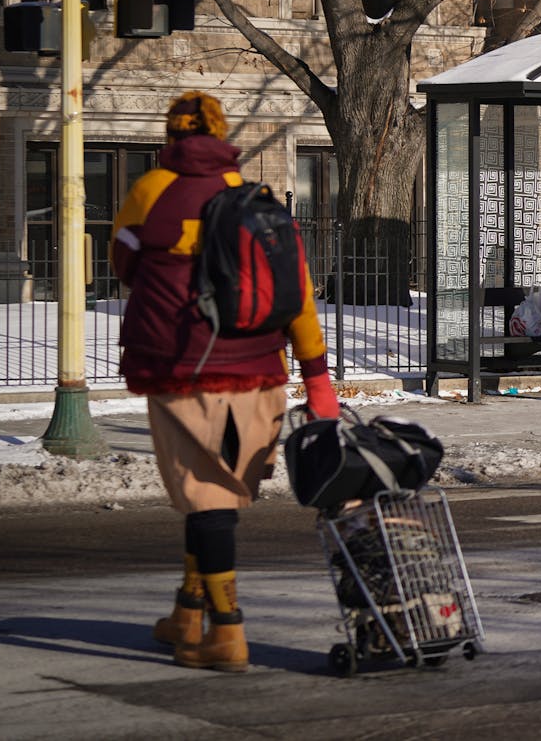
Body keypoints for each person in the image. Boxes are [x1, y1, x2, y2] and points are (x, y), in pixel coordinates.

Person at [110, 91, 339, 673]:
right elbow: (299, 299)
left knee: (206, 498)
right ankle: (188, 612)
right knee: (213, 495)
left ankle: (228, 633)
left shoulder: (149, 191)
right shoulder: (256, 201)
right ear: (221, 134)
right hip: (261, 376)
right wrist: (319, 383)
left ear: (170, 136)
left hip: (183, 373)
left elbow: (124, 266)